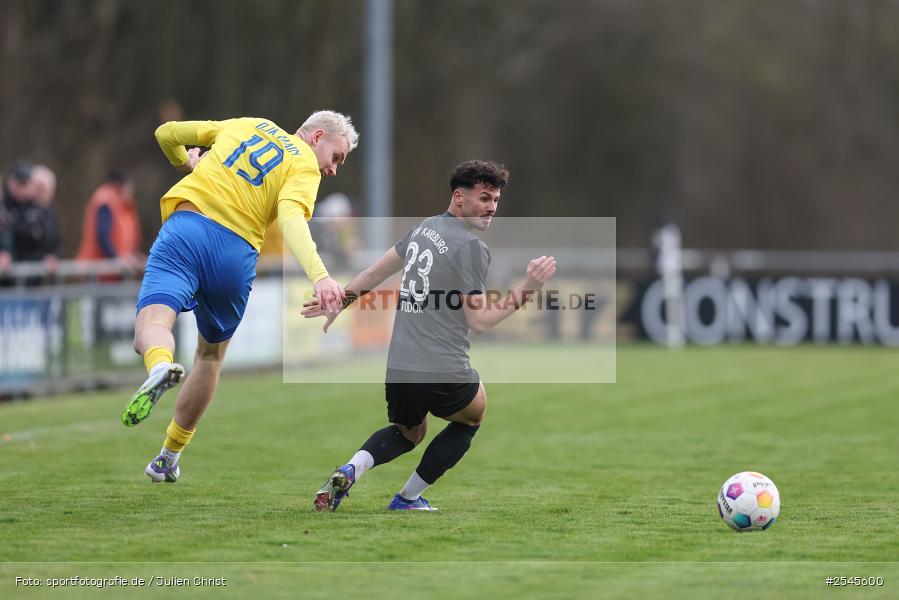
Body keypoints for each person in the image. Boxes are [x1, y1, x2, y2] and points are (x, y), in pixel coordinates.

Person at [303, 161, 556, 511]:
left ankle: (350, 469)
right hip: (442, 367)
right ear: (459, 198)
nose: (492, 207)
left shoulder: (425, 228)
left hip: (400, 365)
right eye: (484, 197)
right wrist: (529, 287)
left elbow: (377, 271)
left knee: (410, 433)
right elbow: (480, 321)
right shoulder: (471, 248)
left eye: (496, 199)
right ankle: (406, 499)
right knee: (472, 416)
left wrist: (341, 301)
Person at [125, 111, 356, 485]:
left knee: (151, 323)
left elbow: (166, 132)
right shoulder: (304, 165)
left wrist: (186, 163)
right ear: (316, 137)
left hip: (187, 228)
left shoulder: (248, 124)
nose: (333, 169)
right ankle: (168, 456)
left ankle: (158, 367)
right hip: (235, 253)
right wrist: (321, 275)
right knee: (211, 355)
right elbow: (292, 218)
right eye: (336, 157)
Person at [76, 170, 144, 270]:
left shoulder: (122, 206)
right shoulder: (106, 202)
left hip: (109, 272)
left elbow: (125, 240)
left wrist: (134, 256)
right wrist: (118, 260)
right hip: (98, 271)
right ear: (119, 186)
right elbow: (102, 237)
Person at [2, 161, 61, 268]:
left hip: (32, 274)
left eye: (25, 183)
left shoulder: (40, 208)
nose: (21, 188)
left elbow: (51, 237)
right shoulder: (4, 205)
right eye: (19, 183)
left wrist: (51, 255)